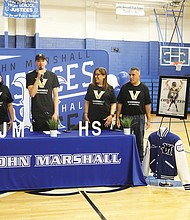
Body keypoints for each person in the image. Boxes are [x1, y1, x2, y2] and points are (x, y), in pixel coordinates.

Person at [116, 67, 151, 162]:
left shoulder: (144, 88)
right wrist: (118, 117)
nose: (131, 77)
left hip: (139, 117)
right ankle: (124, 159)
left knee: (139, 141)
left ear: (139, 76)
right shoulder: (125, 88)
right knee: (125, 140)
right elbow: (120, 104)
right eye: (130, 75)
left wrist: (148, 119)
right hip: (126, 118)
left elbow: (147, 105)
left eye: (133, 75)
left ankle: (140, 161)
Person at [26, 54, 60, 131]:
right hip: (37, 112)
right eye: (38, 61)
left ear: (46, 62)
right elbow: (32, 94)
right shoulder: (30, 76)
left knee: (52, 136)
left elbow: (56, 96)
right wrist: (38, 78)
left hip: (50, 112)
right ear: (35, 62)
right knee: (38, 137)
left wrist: (55, 113)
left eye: (43, 60)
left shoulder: (52, 75)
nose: (41, 63)